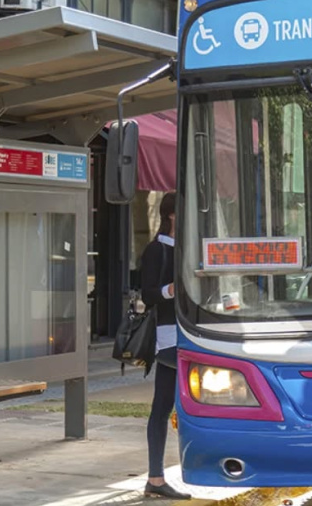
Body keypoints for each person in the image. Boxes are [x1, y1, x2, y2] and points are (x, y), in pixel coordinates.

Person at [139, 193, 191, 500]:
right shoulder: (156, 250)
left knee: (166, 405)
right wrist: (173, 289)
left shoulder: (188, 248)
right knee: (164, 407)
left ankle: (157, 477)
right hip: (169, 336)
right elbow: (148, 295)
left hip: (190, 333)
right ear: (172, 215)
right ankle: (156, 477)